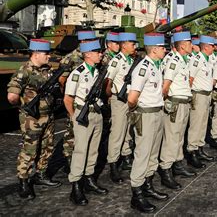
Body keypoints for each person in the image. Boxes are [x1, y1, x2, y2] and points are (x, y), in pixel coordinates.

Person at [7, 39, 61, 200]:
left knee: (47, 147)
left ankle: (41, 174)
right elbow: (12, 96)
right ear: (36, 54)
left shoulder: (47, 69)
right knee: (30, 150)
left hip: (48, 116)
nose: (49, 56)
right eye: (46, 53)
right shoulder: (24, 71)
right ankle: (23, 181)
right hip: (32, 118)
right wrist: (25, 106)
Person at [127, 33, 169, 213]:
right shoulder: (142, 68)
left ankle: (148, 186)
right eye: (162, 47)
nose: (165, 50)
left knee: (153, 153)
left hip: (157, 112)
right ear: (154, 49)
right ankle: (136, 194)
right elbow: (131, 98)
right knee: (143, 154)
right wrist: (138, 113)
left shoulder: (156, 65)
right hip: (145, 115)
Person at [64, 39, 108, 205]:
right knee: (81, 151)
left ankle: (89, 180)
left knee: (93, 150)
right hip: (83, 115)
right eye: (98, 52)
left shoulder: (96, 72)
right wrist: (74, 116)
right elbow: (68, 98)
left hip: (96, 114)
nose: (101, 54)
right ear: (88, 54)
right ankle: (76, 186)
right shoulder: (78, 73)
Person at [159, 31, 195, 190]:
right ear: (182, 45)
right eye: (189, 43)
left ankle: (177, 163)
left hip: (183, 101)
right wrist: (167, 101)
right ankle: (166, 168)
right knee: (172, 136)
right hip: (175, 103)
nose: (192, 46)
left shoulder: (183, 60)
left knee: (179, 135)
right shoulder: (173, 61)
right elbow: (165, 86)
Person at [59, 30, 97, 172]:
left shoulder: (95, 55)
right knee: (71, 132)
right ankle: (69, 160)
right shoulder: (70, 58)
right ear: (83, 42)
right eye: (89, 41)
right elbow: (62, 78)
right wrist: (70, 96)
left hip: (90, 100)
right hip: (76, 100)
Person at [105, 32, 137, 183]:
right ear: (124, 45)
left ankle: (126, 157)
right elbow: (108, 81)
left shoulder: (130, 59)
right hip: (119, 99)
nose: (135, 46)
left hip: (128, 100)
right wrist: (112, 96)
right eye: (132, 44)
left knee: (127, 131)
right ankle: (113, 164)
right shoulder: (116, 61)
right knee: (117, 132)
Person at [186, 35, 216, 168]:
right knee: (196, 124)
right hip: (198, 95)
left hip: (206, 95)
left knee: (203, 123)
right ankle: (192, 151)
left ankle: (199, 148)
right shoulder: (196, 60)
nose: (214, 48)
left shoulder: (207, 60)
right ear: (206, 47)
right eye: (212, 46)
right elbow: (190, 79)